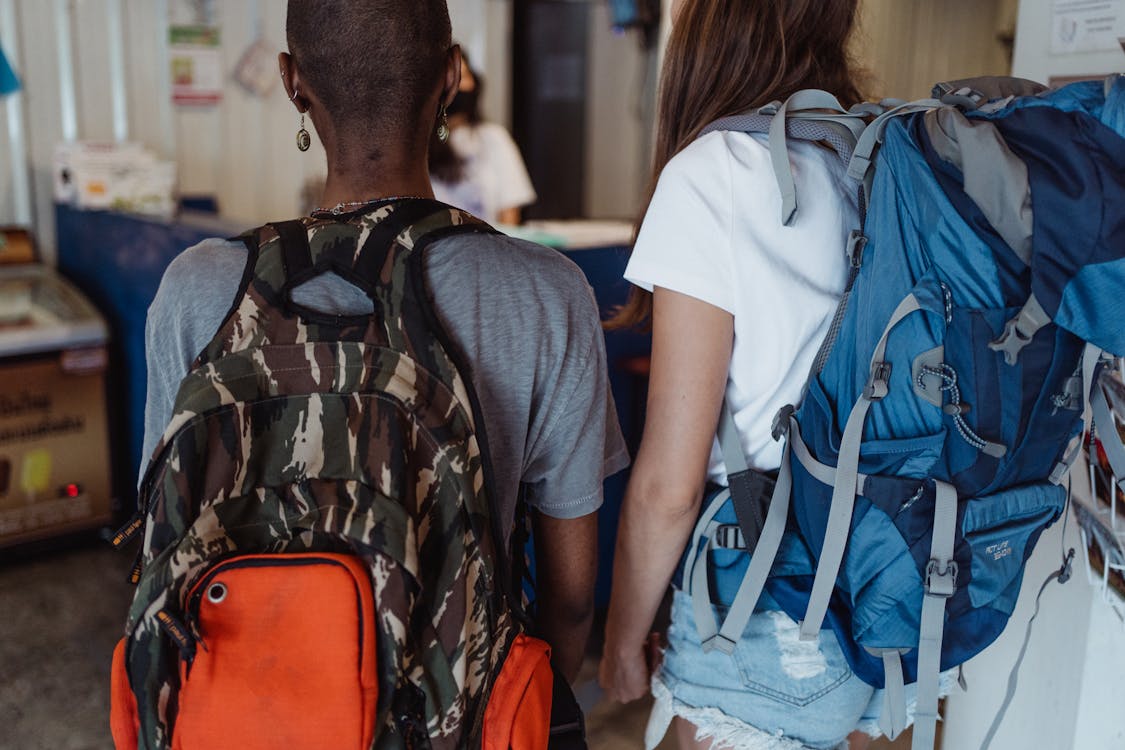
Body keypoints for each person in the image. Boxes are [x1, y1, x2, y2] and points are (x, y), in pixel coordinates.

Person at [140, 0, 628, 686]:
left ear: (291, 81)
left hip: (248, 704)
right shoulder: (546, 293)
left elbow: (162, 532)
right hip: (453, 709)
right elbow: (571, 598)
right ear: (452, 77)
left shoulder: (197, 290)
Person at [597, 1, 922, 748]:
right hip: (900, 589)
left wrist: (622, 642)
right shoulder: (889, 160)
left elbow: (667, 486)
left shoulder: (716, 174)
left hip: (768, 603)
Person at [429, 51, 536, 225]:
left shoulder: (493, 137)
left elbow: (510, 210)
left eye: (464, 77)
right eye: (451, 79)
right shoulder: (417, 144)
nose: (458, 85)